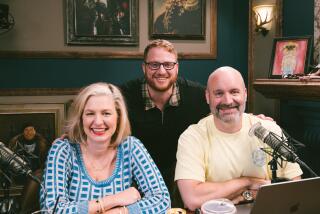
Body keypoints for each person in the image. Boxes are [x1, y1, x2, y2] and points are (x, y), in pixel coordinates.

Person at [174, 66, 303, 211]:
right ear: (207, 97)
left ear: (245, 94)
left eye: (234, 92)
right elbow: (192, 199)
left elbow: (294, 190)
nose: (228, 100)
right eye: (218, 93)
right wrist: (247, 182)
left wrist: (242, 195)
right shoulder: (192, 137)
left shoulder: (269, 130)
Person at [40, 82, 170, 213]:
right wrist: (113, 200)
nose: (98, 122)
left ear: (118, 117)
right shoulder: (63, 149)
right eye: (90, 113)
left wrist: (121, 212)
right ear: (80, 118)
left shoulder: (131, 147)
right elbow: (51, 209)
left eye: (106, 113)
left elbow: (162, 200)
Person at [120, 39, 210, 198]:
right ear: (144, 67)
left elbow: (225, 110)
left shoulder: (198, 95)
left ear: (177, 67)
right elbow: (97, 117)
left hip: (181, 178)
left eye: (168, 65)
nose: (161, 71)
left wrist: (252, 120)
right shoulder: (123, 95)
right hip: (135, 179)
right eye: (154, 65)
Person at [8, 123, 48, 213]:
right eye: (26, 130)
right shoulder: (16, 143)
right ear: (22, 132)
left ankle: (24, 209)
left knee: (38, 175)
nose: (29, 132)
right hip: (20, 173)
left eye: (31, 129)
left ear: (35, 131)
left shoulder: (42, 143)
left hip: (36, 171)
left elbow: (44, 160)